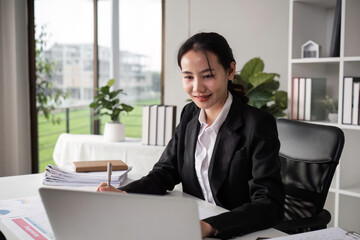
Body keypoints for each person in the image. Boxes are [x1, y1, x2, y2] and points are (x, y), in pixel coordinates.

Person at [97, 32, 284, 239]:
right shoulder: (190, 115)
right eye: (188, 77)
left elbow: (269, 204)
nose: (197, 88)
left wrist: (208, 227)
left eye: (208, 76)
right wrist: (125, 195)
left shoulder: (257, 124)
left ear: (230, 71)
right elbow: (166, 172)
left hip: (234, 231)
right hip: (191, 225)